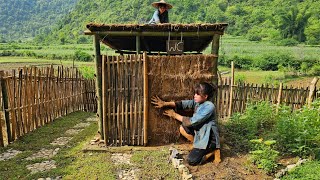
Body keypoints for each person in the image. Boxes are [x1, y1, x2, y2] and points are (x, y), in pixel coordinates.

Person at [151, 82, 221, 166]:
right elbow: (184, 104)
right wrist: (165, 103)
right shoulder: (198, 102)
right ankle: (196, 144)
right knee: (183, 128)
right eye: (195, 93)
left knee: (192, 160)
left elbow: (192, 121)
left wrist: (174, 115)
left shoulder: (209, 106)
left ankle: (213, 151)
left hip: (209, 138)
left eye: (197, 94)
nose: (194, 95)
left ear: (205, 96)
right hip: (201, 133)